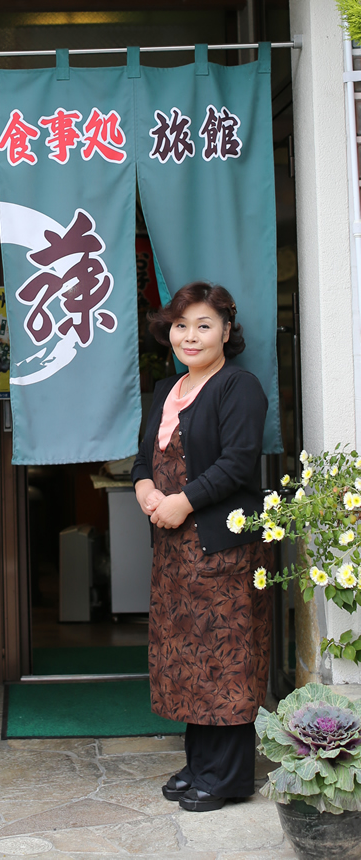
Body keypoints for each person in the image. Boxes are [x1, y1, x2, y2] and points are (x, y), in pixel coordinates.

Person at [131, 280, 271, 813]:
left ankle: (230, 776)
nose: (190, 336)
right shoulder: (167, 390)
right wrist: (144, 488)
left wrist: (182, 503)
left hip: (224, 550)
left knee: (227, 660)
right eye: (181, 325)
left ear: (226, 332)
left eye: (203, 325)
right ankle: (200, 764)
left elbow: (237, 463)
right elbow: (144, 459)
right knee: (188, 657)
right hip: (174, 552)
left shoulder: (240, 386)